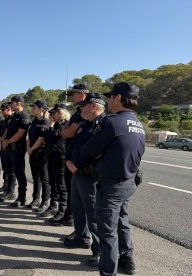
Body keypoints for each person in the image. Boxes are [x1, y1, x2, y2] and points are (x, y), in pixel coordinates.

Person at [81, 82, 145, 276]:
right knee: (122, 222)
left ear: (118, 98)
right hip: (129, 182)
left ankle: (108, 272)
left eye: (110, 96)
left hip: (112, 185)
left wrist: (102, 154)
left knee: (107, 233)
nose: (108, 100)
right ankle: (127, 261)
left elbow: (87, 151)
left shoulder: (112, 122)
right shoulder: (138, 123)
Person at [64, 93, 106, 267]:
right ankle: (82, 238)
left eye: (84, 105)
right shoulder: (85, 124)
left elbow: (100, 153)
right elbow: (73, 146)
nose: (81, 108)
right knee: (77, 208)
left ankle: (100, 251)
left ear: (94, 106)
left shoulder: (104, 125)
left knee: (94, 215)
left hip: (90, 176)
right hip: (76, 172)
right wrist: (68, 161)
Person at [60, 83, 89, 226]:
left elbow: (69, 132)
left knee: (78, 194)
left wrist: (62, 131)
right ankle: (71, 218)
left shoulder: (84, 112)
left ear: (81, 94)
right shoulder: (79, 112)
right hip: (71, 155)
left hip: (78, 159)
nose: (71, 98)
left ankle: (75, 223)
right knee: (71, 190)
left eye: (73, 94)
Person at [38, 104, 70, 217]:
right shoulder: (55, 124)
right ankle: (53, 206)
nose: (52, 115)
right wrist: (51, 125)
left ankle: (62, 210)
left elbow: (55, 137)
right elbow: (46, 137)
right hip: (52, 156)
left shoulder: (67, 125)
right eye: (51, 113)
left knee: (61, 184)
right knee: (53, 183)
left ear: (62, 113)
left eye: (54, 113)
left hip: (61, 157)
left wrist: (51, 125)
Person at [2, 96, 31, 207]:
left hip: (17, 148)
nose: (10, 105)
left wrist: (7, 141)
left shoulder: (24, 117)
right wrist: (4, 141)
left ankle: (22, 197)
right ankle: (10, 192)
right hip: (9, 147)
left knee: (19, 173)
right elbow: (8, 130)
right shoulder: (13, 116)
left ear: (18, 103)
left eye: (12, 103)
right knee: (9, 171)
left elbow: (20, 133)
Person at [27, 100, 50, 210]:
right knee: (36, 177)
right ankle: (36, 199)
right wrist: (28, 147)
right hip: (32, 152)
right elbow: (30, 136)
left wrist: (32, 148)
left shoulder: (45, 121)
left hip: (41, 152)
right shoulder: (34, 121)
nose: (32, 109)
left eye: (34, 107)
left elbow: (41, 138)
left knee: (44, 178)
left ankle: (45, 201)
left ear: (41, 109)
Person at [0, 103, 16, 201]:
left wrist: (6, 141)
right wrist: (1, 139)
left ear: (8, 109)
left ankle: (11, 191)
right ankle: (7, 187)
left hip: (11, 147)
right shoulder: (6, 120)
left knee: (11, 171)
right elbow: (5, 132)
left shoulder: (12, 118)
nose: (1, 112)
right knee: (6, 168)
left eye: (3, 110)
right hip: (4, 146)